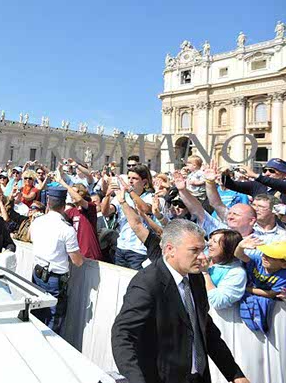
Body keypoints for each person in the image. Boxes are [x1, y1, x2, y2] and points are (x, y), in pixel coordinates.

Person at [111, 219, 248, 383]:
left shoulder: (196, 277)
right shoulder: (147, 283)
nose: (203, 256)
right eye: (194, 250)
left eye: (203, 249)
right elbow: (123, 335)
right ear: (170, 250)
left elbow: (205, 328)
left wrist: (234, 374)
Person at [29, 187, 84, 332]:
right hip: (54, 280)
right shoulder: (67, 229)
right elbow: (77, 261)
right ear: (64, 206)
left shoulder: (37, 222)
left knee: (35, 317)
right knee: (53, 321)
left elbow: (31, 238)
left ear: (48, 202)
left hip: (37, 274)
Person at [100, 164, 155, 270]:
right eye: (129, 178)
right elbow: (105, 212)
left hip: (139, 251)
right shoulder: (123, 195)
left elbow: (145, 209)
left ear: (144, 182)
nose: (130, 181)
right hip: (121, 247)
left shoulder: (150, 197)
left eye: (134, 178)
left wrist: (129, 191)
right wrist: (107, 195)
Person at [201, 229, 246, 310]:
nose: (209, 243)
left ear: (227, 247)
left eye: (214, 241)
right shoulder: (203, 258)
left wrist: (205, 273)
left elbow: (218, 302)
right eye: (210, 239)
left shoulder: (237, 273)